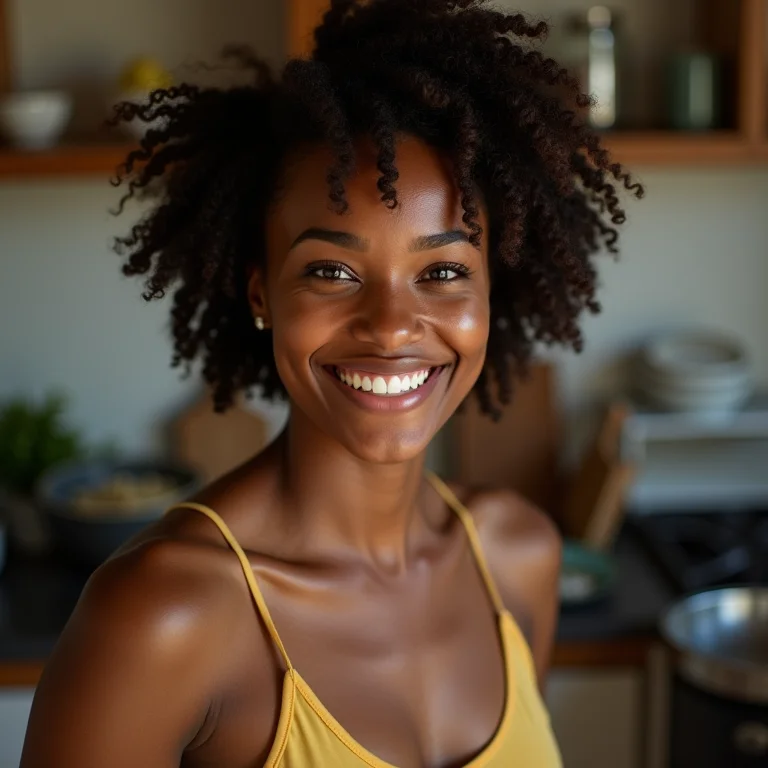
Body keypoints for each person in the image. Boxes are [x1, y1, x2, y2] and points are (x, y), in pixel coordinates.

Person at [21, 1, 640, 766]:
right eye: (331, 271)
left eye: (443, 271)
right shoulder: (162, 614)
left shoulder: (518, 556)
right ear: (261, 295)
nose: (391, 325)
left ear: (489, 297)